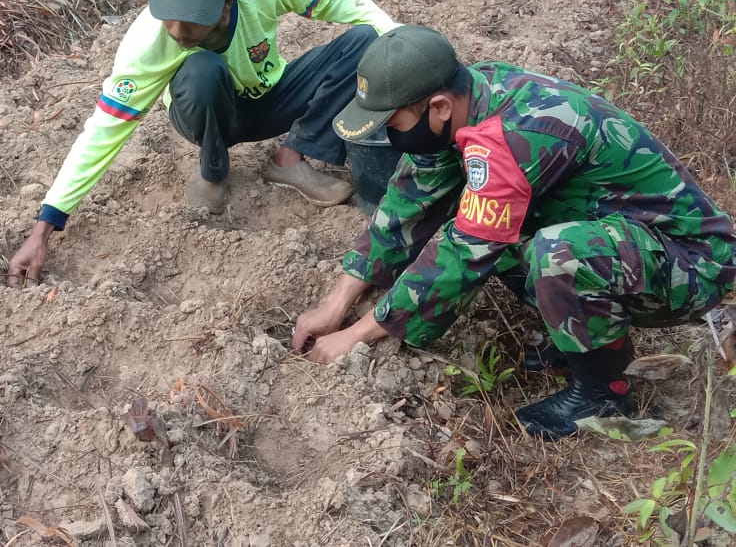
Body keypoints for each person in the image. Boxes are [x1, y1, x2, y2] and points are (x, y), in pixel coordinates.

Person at [291, 24, 736, 441]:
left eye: (392, 123)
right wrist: (335, 305)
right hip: (627, 240)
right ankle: (579, 339)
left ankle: (605, 392)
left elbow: (463, 252)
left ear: (439, 106)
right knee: (503, 233)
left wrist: (355, 336)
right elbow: (406, 204)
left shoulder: (514, 136)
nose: (390, 135)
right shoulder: (468, 97)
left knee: (552, 251)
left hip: (691, 263)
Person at [7, 0, 400, 285]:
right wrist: (45, 226)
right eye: (169, 16)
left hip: (271, 97)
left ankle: (289, 157)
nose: (178, 32)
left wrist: (402, 42)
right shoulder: (146, 45)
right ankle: (213, 170)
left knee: (364, 40)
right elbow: (103, 131)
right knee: (201, 68)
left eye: (193, 20)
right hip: (206, 113)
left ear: (228, 0)